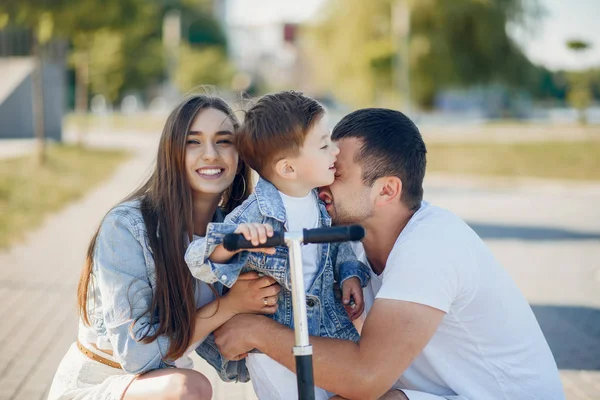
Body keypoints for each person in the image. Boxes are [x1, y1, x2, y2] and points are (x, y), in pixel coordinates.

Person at [210, 108, 566, 400]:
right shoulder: (348, 247)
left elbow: (365, 377)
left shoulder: (432, 244)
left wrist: (257, 331)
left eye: (337, 173)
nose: (321, 182)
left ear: (387, 190)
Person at [48, 94, 281, 400]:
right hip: (103, 381)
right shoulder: (127, 227)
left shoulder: (234, 236)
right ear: (172, 153)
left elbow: (235, 363)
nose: (210, 154)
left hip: (163, 379)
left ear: (239, 157)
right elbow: (138, 357)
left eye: (224, 141)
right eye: (193, 142)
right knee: (190, 387)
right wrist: (231, 305)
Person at [184, 91, 370, 400]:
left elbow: (336, 247)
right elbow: (197, 259)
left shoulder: (320, 201)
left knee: (354, 390)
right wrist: (235, 241)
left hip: (328, 327)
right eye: (324, 145)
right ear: (288, 169)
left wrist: (350, 274)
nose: (336, 150)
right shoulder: (254, 214)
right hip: (275, 343)